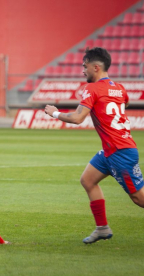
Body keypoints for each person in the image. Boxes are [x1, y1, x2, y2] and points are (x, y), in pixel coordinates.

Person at [44, 47, 144, 244]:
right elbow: (125, 103)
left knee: (139, 198)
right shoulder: (120, 88)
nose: (83, 70)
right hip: (112, 149)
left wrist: (54, 113)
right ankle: (102, 228)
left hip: (120, 151)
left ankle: (102, 227)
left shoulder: (92, 88)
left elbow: (78, 118)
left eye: (85, 66)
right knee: (88, 180)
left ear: (96, 67)